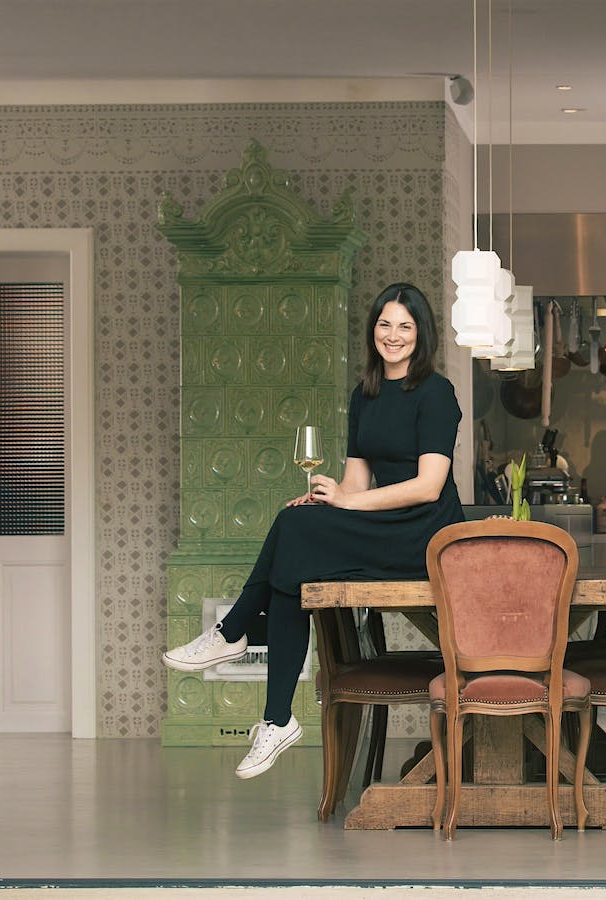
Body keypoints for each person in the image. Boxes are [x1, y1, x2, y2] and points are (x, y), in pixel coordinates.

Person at [163, 282, 464, 779]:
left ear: (421, 334)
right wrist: (329, 499)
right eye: (384, 324)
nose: (393, 335)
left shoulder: (436, 393)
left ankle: (233, 633)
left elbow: (428, 486)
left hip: (424, 532)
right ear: (373, 331)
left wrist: (346, 503)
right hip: (382, 519)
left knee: (292, 532)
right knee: (296, 546)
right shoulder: (365, 394)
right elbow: (356, 480)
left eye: (405, 327)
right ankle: (274, 718)